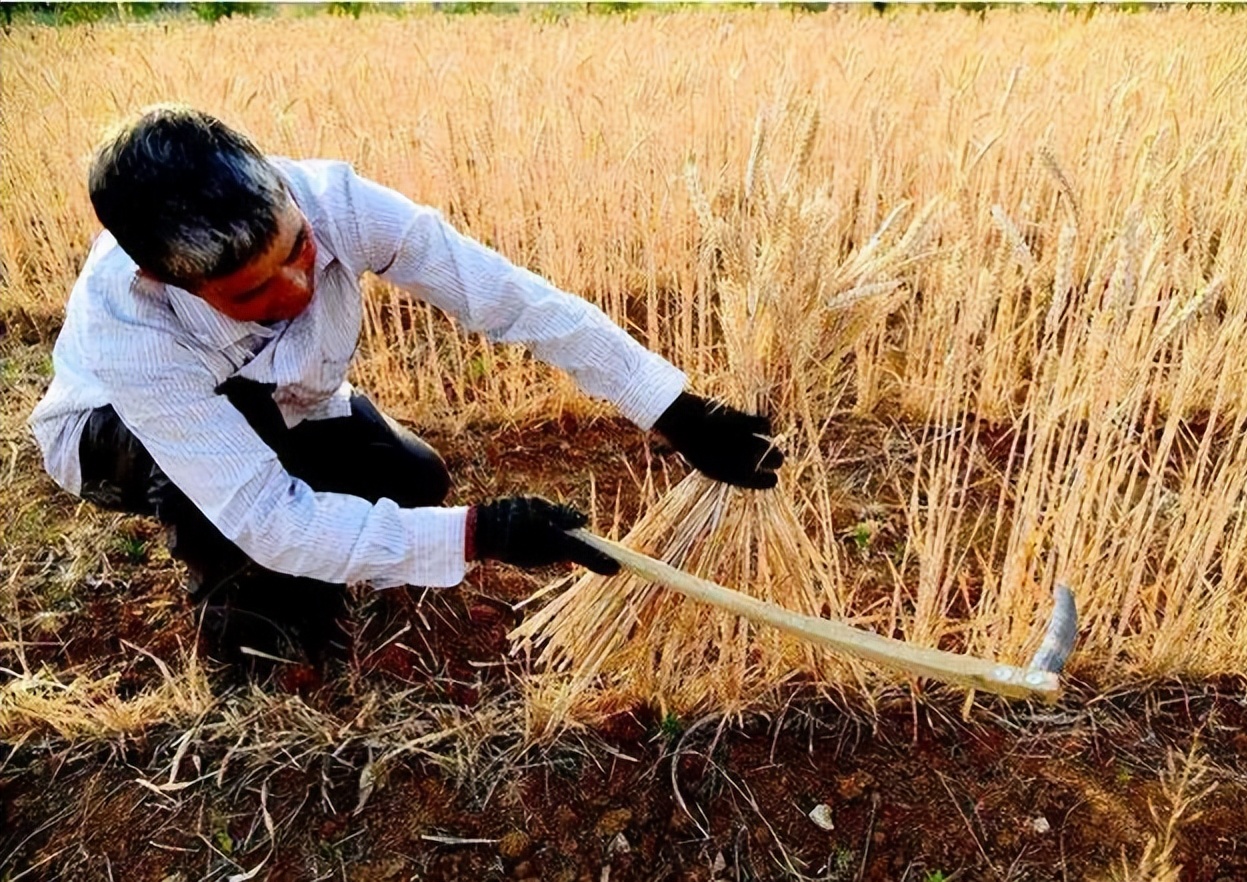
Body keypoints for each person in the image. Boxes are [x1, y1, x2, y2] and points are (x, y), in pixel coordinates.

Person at [28, 104, 783, 677]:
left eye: (300, 250)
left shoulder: (336, 200)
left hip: (287, 402)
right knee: (270, 572)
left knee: (414, 479)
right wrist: (479, 534)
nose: (297, 288)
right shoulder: (135, 329)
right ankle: (255, 652)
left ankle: (317, 546)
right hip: (114, 436)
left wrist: (674, 408)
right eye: (255, 291)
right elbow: (264, 516)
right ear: (169, 278)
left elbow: (511, 299)